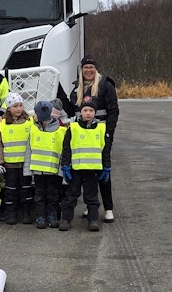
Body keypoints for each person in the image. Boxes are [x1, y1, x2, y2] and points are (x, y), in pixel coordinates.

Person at [63, 54, 120, 221]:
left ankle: (108, 208)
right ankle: (92, 206)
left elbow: (113, 111)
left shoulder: (105, 85)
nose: (88, 70)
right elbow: (71, 109)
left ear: (96, 69)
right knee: (87, 175)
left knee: (103, 171)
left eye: (91, 67)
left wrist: (108, 132)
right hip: (82, 136)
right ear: (81, 70)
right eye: (85, 67)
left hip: (99, 135)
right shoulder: (76, 88)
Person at [58, 97, 109, 232]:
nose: (88, 113)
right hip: (76, 170)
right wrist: (65, 165)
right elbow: (67, 148)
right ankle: (66, 219)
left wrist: (107, 167)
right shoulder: (73, 128)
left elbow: (105, 150)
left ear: (95, 112)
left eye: (91, 110)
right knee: (70, 196)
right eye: (85, 110)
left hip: (92, 171)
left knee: (91, 197)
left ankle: (92, 220)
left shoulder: (101, 128)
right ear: (81, 112)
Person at [25, 100, 67, 229]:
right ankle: (41, 216)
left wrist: (61, 172)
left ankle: (52, 215)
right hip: (38, 171)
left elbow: (62, 153)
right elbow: (29, 150)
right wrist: (27, 170)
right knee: (39, 195)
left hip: (53, 172)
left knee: (53, 195)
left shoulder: (60, 131)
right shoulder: (33, 129)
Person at [0, 92, 34, 224]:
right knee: (10, 190)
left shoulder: (30, 121)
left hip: (25, 164)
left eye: (21, 105)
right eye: (15, 106)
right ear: (9, 108)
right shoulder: (2, 124)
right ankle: (10, 213)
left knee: (26, 189)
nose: (18, 109)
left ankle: (26, 212)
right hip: (9, 165)